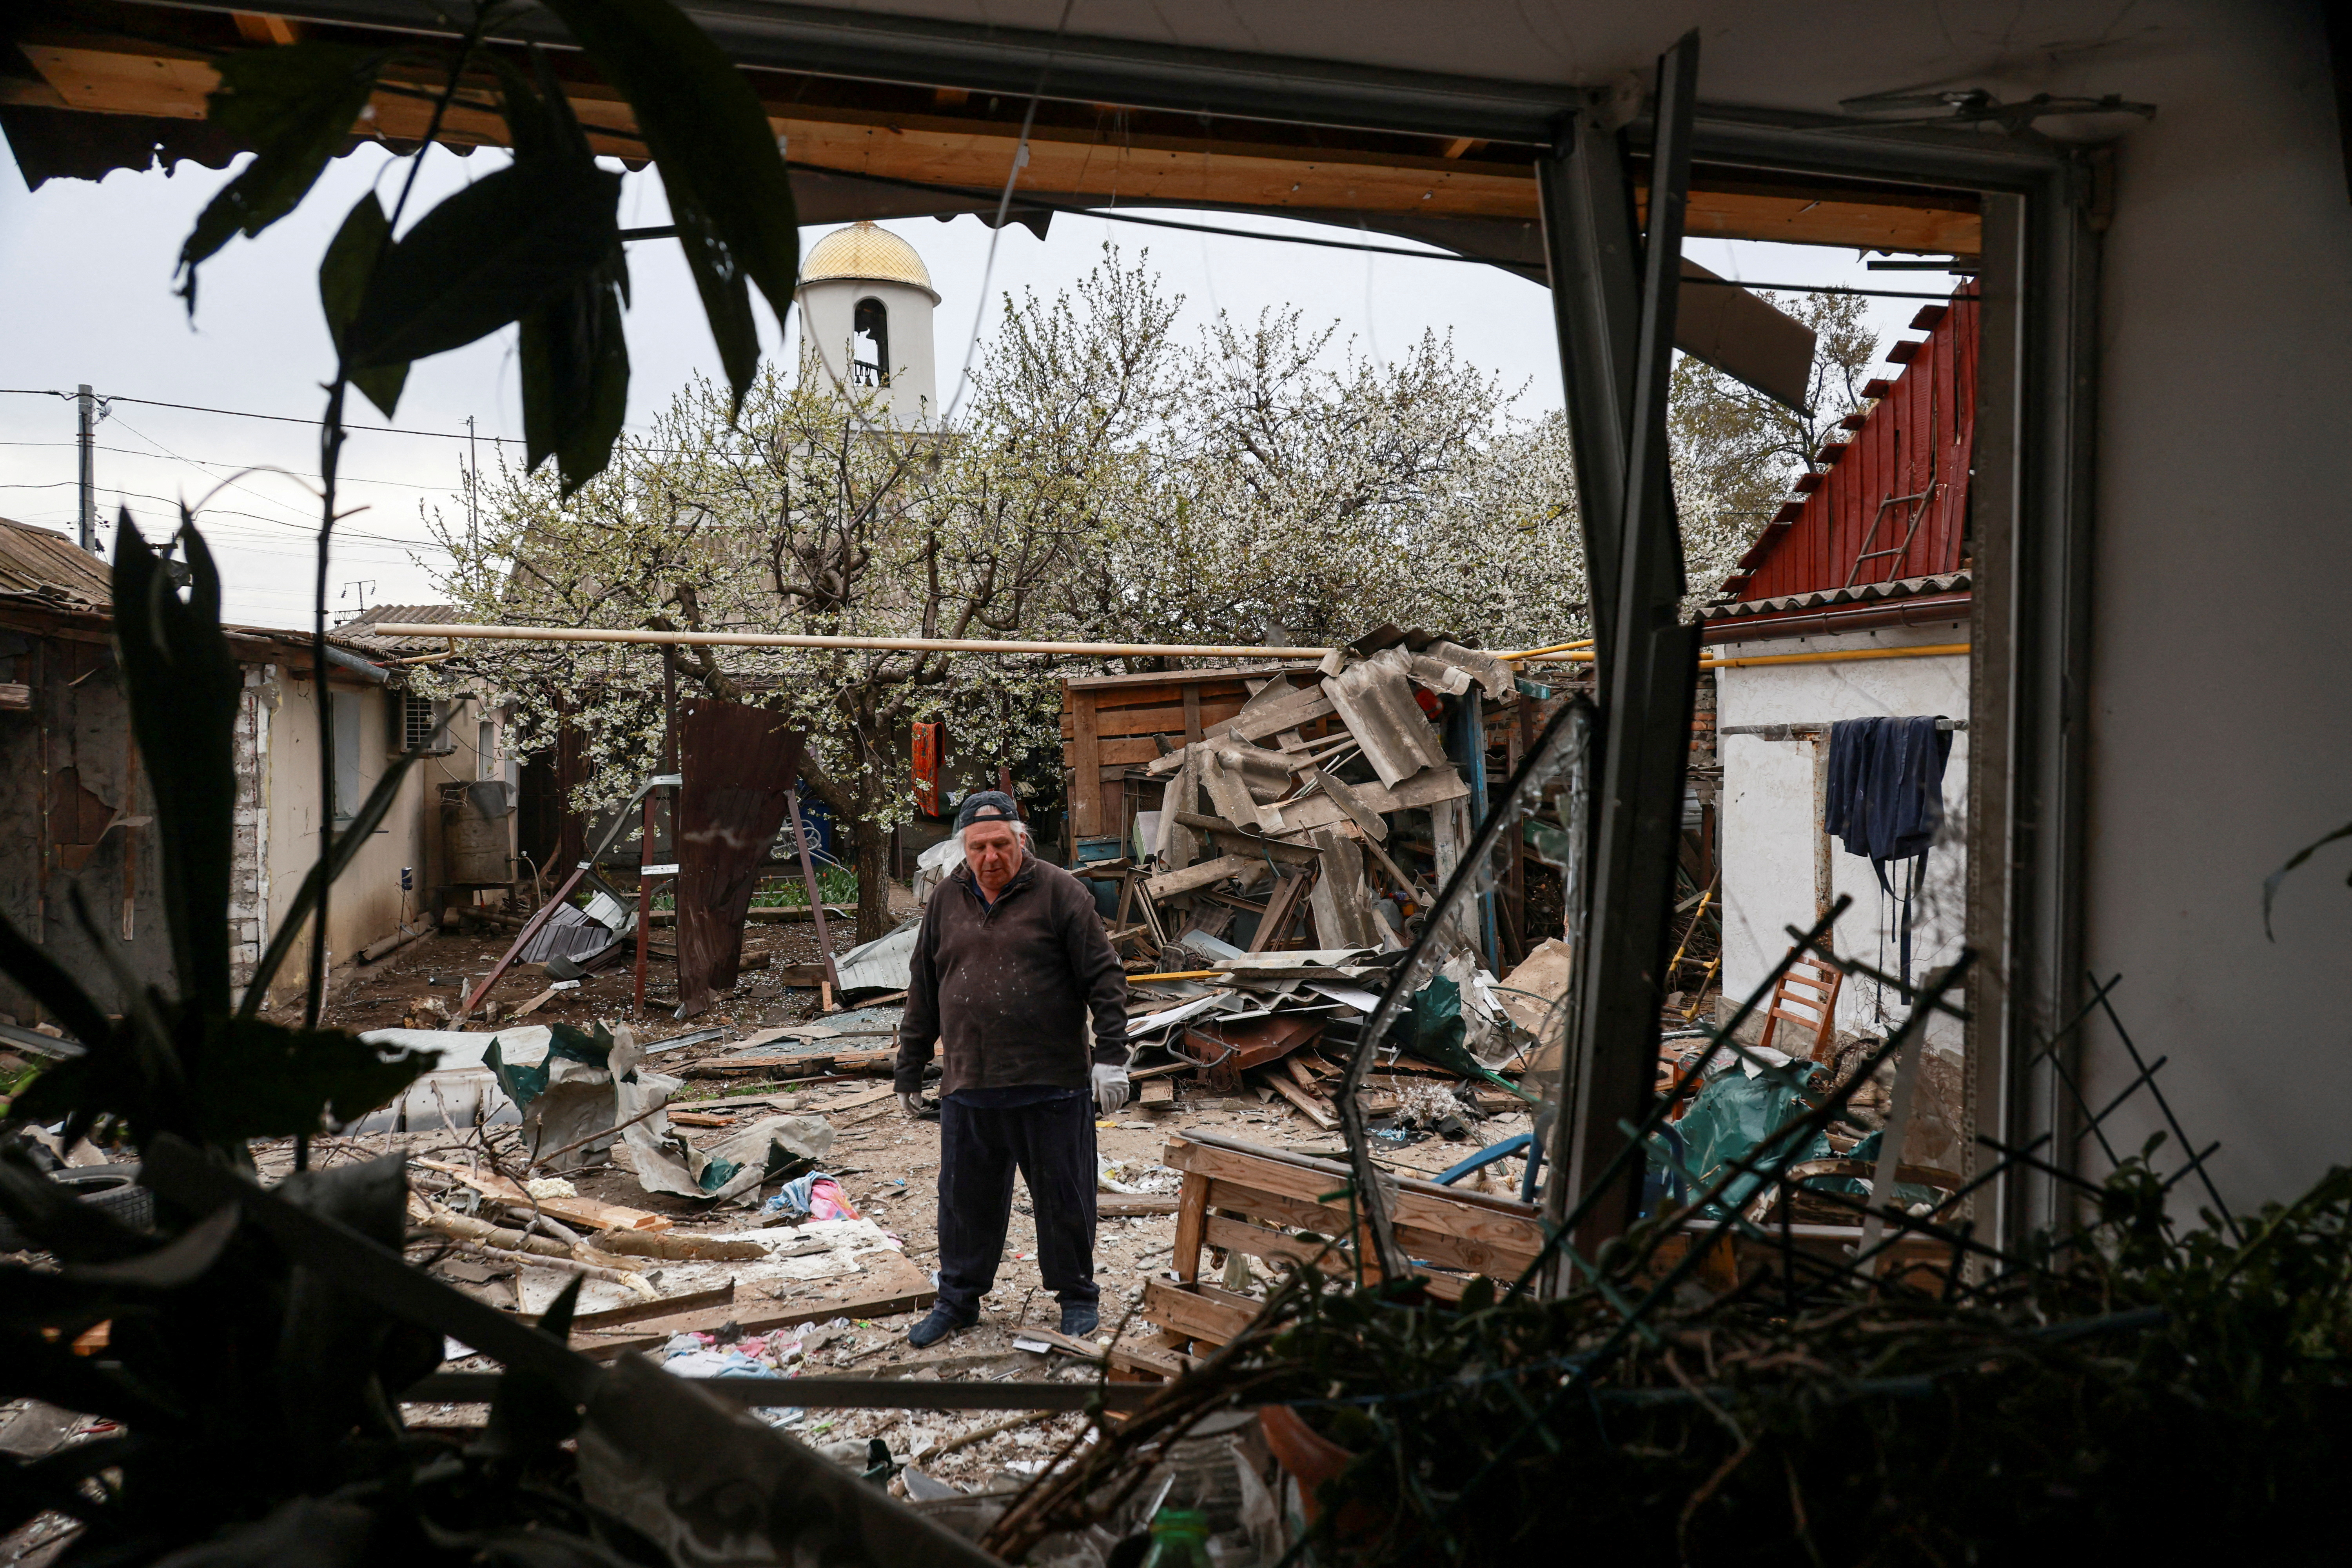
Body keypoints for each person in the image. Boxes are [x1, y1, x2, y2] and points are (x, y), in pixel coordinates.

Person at [895, 791, 1130, 1348]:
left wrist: (1112, 1057)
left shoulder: (1061, 893)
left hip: (1050, 1082)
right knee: (963, 1202)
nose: (991, 856)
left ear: (1021, 840)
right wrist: (909, 1068)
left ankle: (1076, 1298)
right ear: (963, 849)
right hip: (970, 1083)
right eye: (979, 847)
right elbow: (924, 990)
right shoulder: (946, 901)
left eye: (1002, 844)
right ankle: (958, 1300)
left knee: (1064, 1199)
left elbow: (1106, 979)